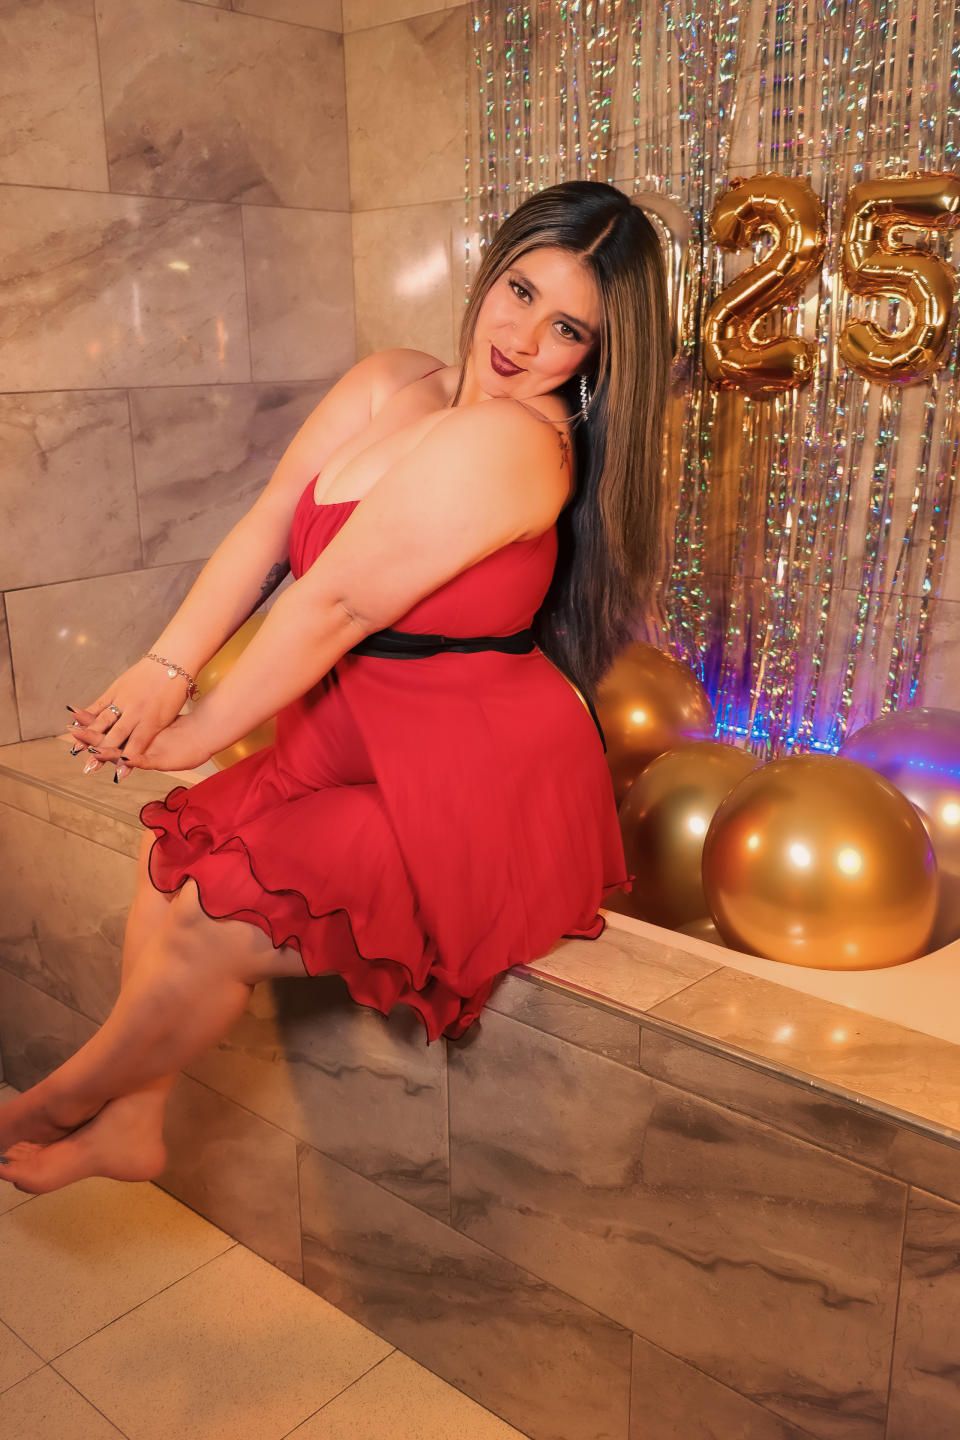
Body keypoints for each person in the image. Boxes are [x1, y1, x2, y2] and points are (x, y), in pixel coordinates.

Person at [0, 180, 670, 1194]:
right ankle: (131, 1125)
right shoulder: (396, 381)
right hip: (351, 733)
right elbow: (273, 521)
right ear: (491, 270)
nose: (526, 338)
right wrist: (161, 666)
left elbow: (338, 604)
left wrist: (193, 728)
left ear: (597, 356)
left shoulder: (516, 441)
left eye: (569, 328)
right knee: (167, 863)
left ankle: (49, 1103)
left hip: (462, 777)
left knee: (208, 913)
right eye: (522, 291)